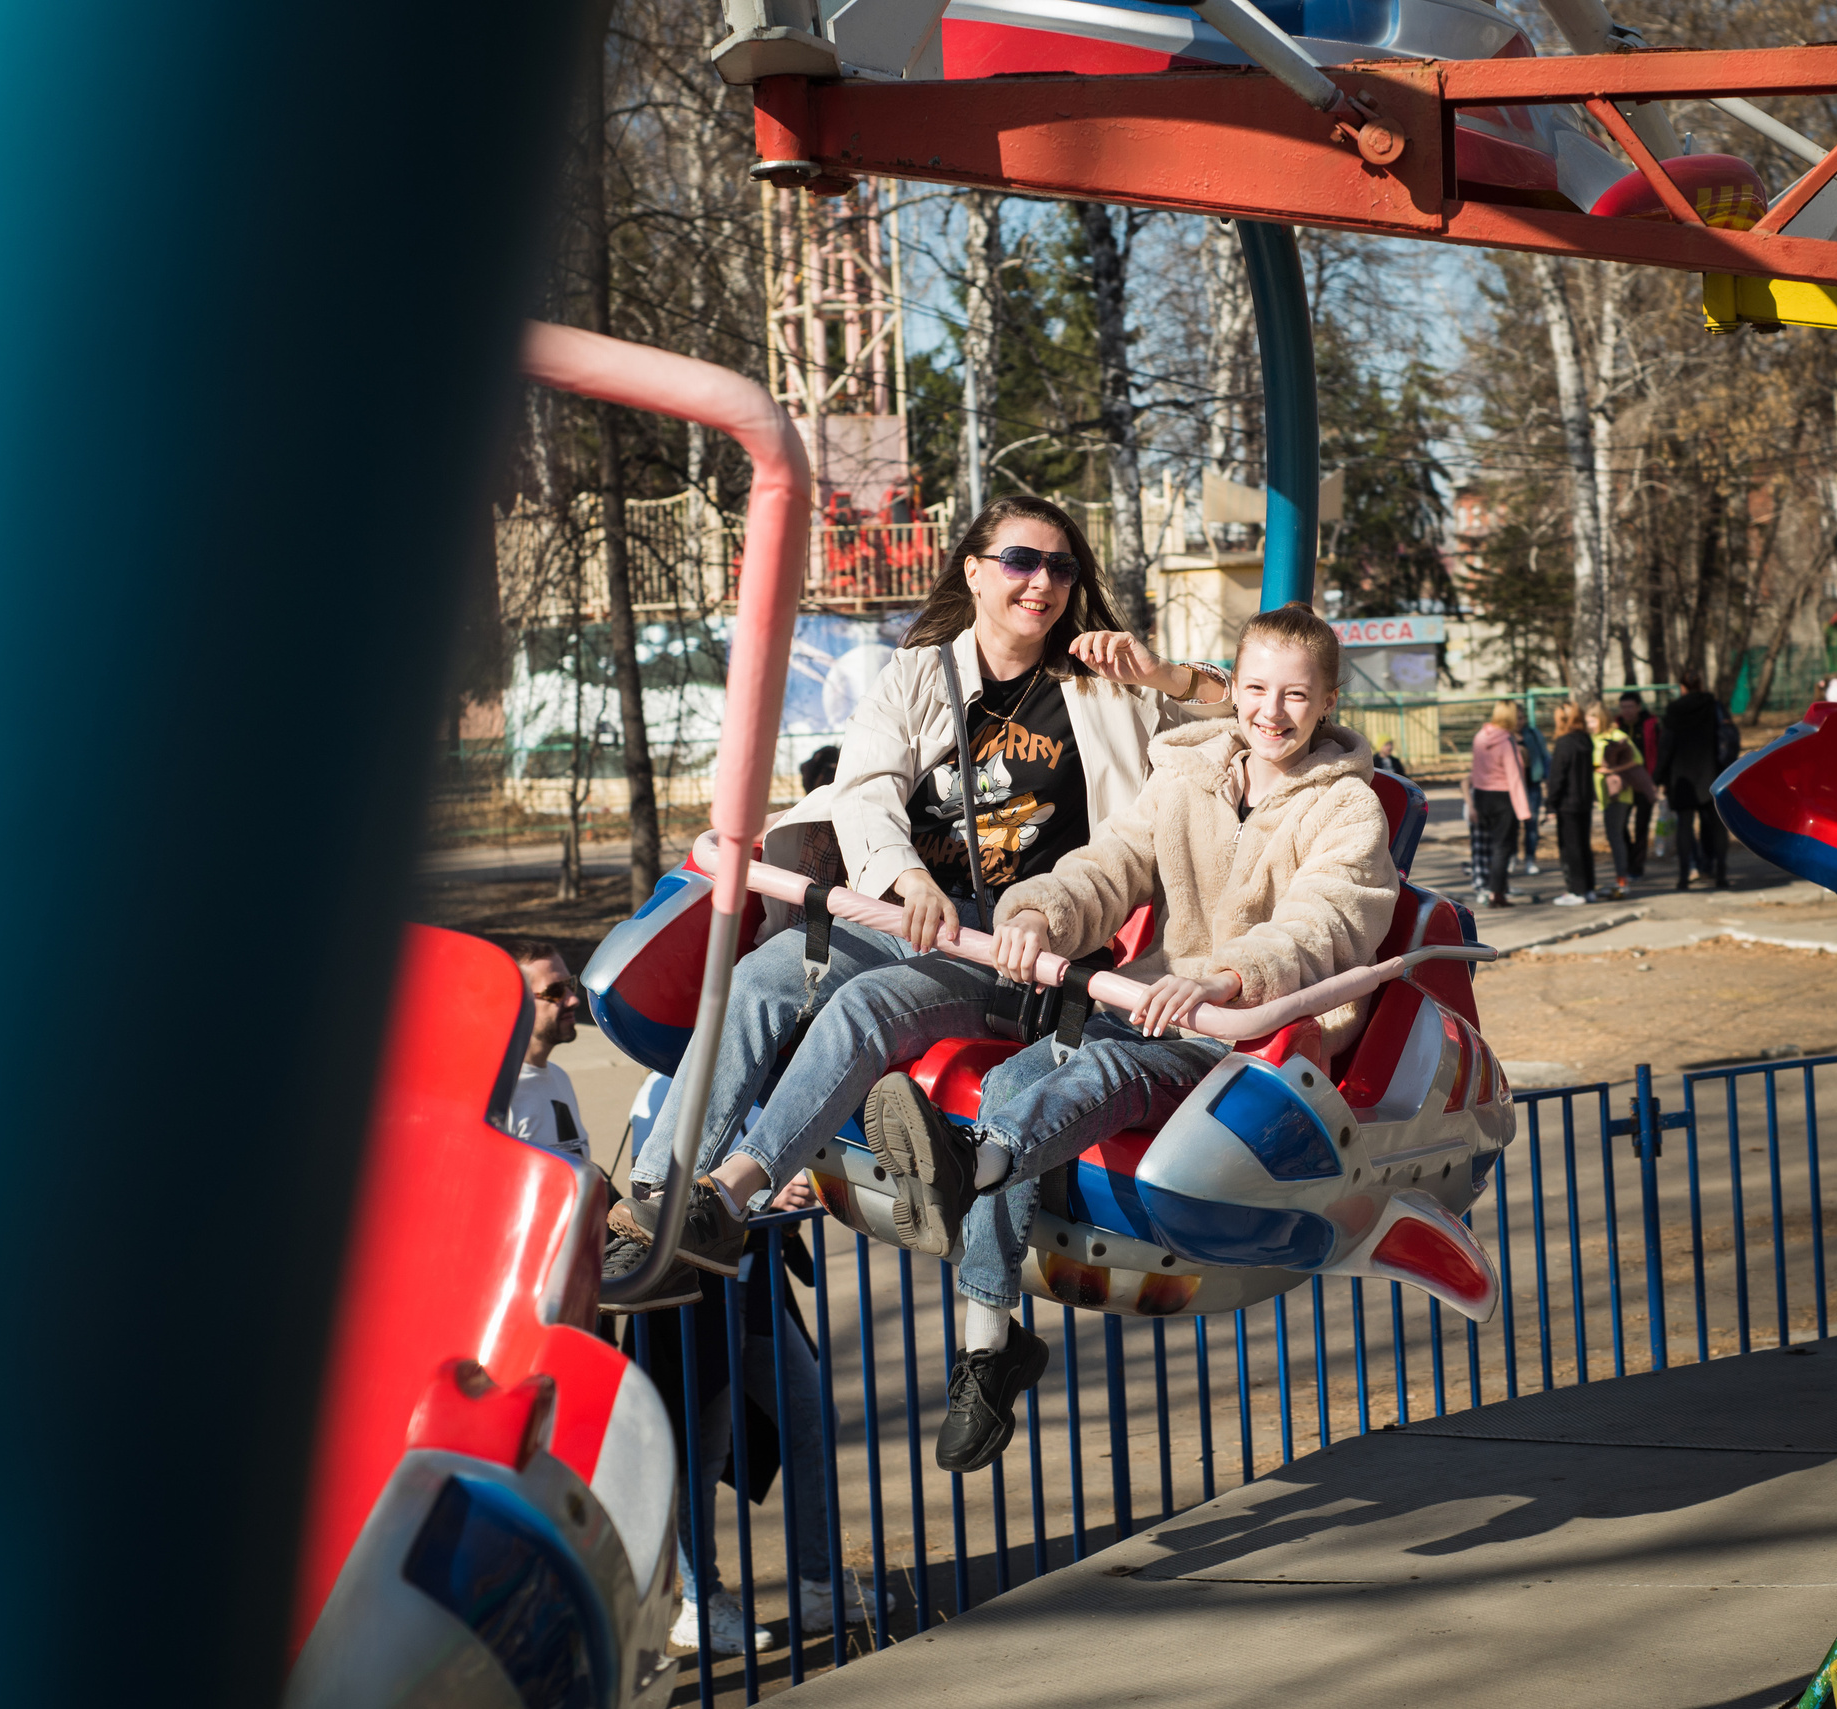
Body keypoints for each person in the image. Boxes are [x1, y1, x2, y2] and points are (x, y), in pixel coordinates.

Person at [613, 495, 1234, 1272]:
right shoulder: (915, 674)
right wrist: (908, 878)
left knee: (865, 1008)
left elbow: (1255, 719)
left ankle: (733, 1195)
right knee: (758, 980)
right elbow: (865, 787)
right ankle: (655, 1202)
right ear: (974, 571)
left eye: (1061, 567)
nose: (1042, 580)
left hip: (1014, 942)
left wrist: (1166, 674)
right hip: (902, 910)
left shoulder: (1104, 690)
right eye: (1021, 561)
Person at [860, 603, 1400, 1471]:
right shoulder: (1186, 771)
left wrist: (1225, 978)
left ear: (1329, 700)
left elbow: (1322, 924)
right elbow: (1111, 862)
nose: (1270, 711)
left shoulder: (1346, 809)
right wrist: (1037, 913)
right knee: (1010, 1088)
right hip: (1147, 999)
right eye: (1256, 687)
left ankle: (966, 1170)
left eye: (1296, 696)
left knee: (1097, 1069)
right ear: (1235, 683)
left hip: (1238, 1036)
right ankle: (988, 1349)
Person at [617, 1078, 874, 1657]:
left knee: (812, 1422)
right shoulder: (665, 1085)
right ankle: (699, 1605)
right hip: (694, 1297)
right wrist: (765, 1198)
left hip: (756, 1287)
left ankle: (818, 1586)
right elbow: (656, 1191)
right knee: (699, 1453)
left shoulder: (756, 1073)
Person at [501, 940, 591, 1166]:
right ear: (516, 1001)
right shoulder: (498, 1095)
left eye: (570, 984)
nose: (573, 999)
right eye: (555, 992)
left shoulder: (559, 1078)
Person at [1656, 669, 1729, 890]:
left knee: (1685, 827)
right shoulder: (1712, 706)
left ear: (1682, 688)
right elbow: (1724, 737)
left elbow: (1666, 746)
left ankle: (1683, 877)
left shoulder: (1674, 711)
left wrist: (1659, 775)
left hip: (1682, 776)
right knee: (1717, 826)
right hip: (1711, 772)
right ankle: (1721, 874)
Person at [1467, 701, 1532, 908]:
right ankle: (1497, 894)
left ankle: (1492, 888)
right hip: (1504, 798)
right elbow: (1515, 777)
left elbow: (1475, 769)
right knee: (1503, 847)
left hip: (1482, 795)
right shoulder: (1507, 741)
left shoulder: (1480, 736)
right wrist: (1524, 811)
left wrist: (1474, 802)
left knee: (1488, 846)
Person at [1590, 704, 1641, 902]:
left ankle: (1622, 881)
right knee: (1614, 836)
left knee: (1615, 836)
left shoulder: (1616, 735)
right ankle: (1621, 878)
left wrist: (1613, 770)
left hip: (1618, 794)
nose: (1589, 725)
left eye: (1592, 720)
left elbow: (1637, 759)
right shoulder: (1593, 738)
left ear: (1601, 719)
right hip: (1603, 796)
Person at [1546, 702, 1595, 905]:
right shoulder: (1585, 740)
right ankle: (1588, 888)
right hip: (1584, 800)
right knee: (1583, 845)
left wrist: (1551, 803)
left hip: (1568, 802)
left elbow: (1557, 776)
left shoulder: (1564, 743)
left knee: (1570, 848)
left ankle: (1577, 891)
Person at [1614, 691, 1661, 878]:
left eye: (1630, 706)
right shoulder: (1616, 726)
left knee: (1641, 826)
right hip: (1623, 784)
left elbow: (1657, 752)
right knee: (1620, 824)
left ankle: (1637, 866)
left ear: (1639, 707)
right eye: (1623, 707)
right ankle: (1630, 857)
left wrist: (1656, 780)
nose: (1626, 711)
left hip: (1645, 782)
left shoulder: (1651, 724)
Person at [1517, 706, 1548, 877]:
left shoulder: (1533, 734)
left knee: (1532, 825)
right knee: (1511, 826)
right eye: (1516, 718)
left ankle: (1530, 859)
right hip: (1512, 788)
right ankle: (1511, 857)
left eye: (1521, 717)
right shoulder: (1504, 736)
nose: (1519, 721)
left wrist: (1547, 778)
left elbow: (1545, 756)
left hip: (1532, 785)